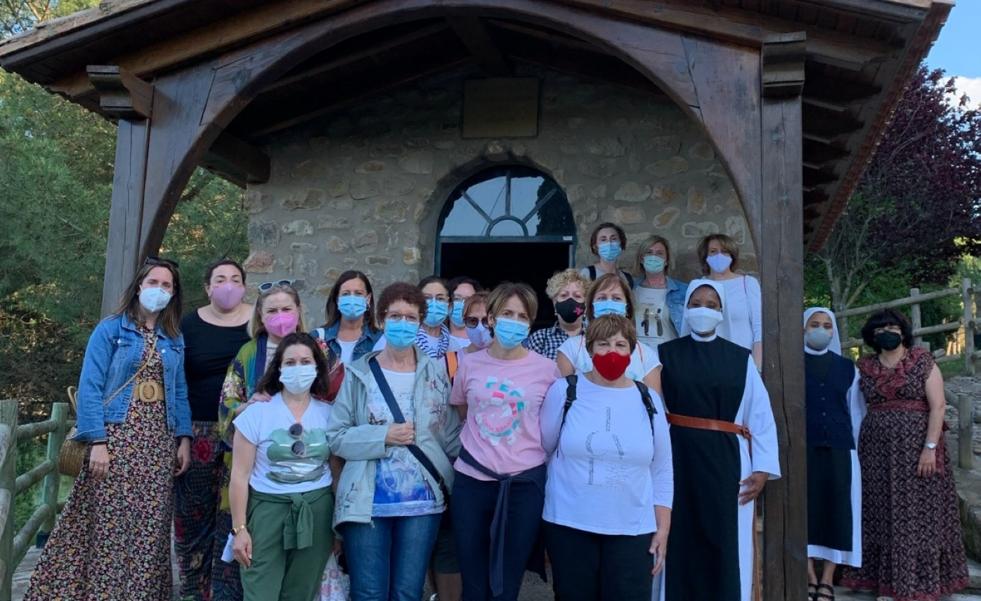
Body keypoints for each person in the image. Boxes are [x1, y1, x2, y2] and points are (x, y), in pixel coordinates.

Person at [25, 258, 192, 601]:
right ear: (138, 287)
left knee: (150, 527)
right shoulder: (111, 330)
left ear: (174, 294)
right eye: (153, 282)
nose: (159, 290)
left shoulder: (173, 338)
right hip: (117, 438)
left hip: (158, 442)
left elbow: (180, 390)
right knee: (110, 526)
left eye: (167, 285)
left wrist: (184, 438)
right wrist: (97, 441)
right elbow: (90, 387)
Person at [327, 282, 462, 601]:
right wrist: (382, 436)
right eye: (395, 316)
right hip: (367, 503)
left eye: (411, 317)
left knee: (407, 592)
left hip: (423, 504)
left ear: (420, 322)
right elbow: (336, 436)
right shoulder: (359, 373)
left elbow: (451, 436)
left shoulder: (435, 373)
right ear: (382, 319)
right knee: (369, 592)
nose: (403, 323)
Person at [653, 279, 780, 601]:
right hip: (677, 457)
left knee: (726, 539)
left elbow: (760, 415)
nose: (703, 310)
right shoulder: (664, 354)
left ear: (722, 313)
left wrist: (763, 468)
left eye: (711, 305)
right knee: (679, 537)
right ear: (686, 309)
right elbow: (652, 410)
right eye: (696, 304)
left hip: (728, 461)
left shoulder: (741, 358)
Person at [541, 315, 673, 601]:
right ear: (589, 350)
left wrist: (663, 527)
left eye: (620, 344)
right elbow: (546, 448)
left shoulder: (648, 400)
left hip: (632, 527)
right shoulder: (565, 391)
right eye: (603, 344)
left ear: (632, 351)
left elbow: (662, 467)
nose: (611, 351)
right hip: (569, 523)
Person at [841, 309, 968, 601]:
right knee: (881, 512)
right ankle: (884, 582)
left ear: (903, 331)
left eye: (893, 326)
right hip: (876, 453)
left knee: (919, 514)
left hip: (917, 450)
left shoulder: (921, 361)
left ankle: (917, 583)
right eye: (881, 328)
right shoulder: (865, 367)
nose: (888, 331)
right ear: (872, 335)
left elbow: (937, 406)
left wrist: (930, 448)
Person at [450, 282, 561, 601]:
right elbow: (462, 411)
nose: (514, 321)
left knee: (507, 585)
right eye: (507, 313)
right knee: (473, 583)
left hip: (523, 487)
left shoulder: (546, 369)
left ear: (530, 322)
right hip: (472, 484)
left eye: (522, 316)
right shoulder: (469, 364)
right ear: (493, 319)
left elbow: (549, 425)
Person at [213, 281, 310, 601]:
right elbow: (227, 402)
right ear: (260, 315)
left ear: (298, 312)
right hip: (254, 465)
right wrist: (247, 406)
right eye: (272, 310)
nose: (280, 316)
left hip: (304, 469)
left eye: (286, 309)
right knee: (251, 547)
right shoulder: (249, 351)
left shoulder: (317, 349)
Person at [230, 333, 336, 601]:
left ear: (316, 367)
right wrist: (240, 530)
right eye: (290, 362)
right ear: (278, 368)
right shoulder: (256, 414)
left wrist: (338, 526)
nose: (298, 368)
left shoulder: (330, 414)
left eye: (305, 361)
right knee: (259, 591)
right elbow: (240, 477)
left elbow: (336, 471)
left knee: (300, 592)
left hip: (316, 512)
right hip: (267, 512)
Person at [175, 259, 252, 600]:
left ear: (245, 286)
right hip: (199, 431)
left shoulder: (257, 322)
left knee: (231, 515)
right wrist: (182, 435)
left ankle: (225, 592)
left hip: (242, 435)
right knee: (192, 515)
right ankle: (193, 590)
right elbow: (177, 382)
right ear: (207, 287)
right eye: (220, 279)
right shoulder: (188, 325)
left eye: (236, 279)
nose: (228, 285)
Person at [802, 308, 865, 601]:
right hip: (804, 448)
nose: (820, 329)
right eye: (814, 324)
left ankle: (827, 577)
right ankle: (808, 575)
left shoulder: (848, 368)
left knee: (839, 510)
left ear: (833, 331)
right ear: (803, 328)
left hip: (840, 448)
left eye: (826, 325)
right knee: (805, 509)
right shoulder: (791, 363)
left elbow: (855, 413)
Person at [556, 273, 659, 389]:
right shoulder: (570, 349)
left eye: (616, 298)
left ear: (628, 307)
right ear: (591, 307)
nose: (609, 303)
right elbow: (562, 395)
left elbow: (653, 402)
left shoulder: (646, 355)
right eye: (602, 298)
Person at [695, 234, 762, 368]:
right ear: (705, 256)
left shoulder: (747, 283)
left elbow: (759, 327)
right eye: (713, 251)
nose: (719, 255)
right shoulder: (698, 285)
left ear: (732, 255)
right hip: (709, 361)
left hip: (742, 360)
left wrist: (757, 366)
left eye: (724, 251)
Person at [313, 270, 381, 366]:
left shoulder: (380, 340)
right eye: (346, 294)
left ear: (368, 299)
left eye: (358, 293)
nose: (352, 299)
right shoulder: (318, 337)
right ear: (337, 300)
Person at [632, 236, 686, 348]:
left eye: (659, 253)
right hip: (640, 356)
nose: (653, 257)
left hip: (670, 356)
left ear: (667, 260)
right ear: (641, 259)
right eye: (649, 252)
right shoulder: (630, 289)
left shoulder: (682, 291)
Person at [527, 269, 587, 360]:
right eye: (564, 295)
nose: (570, 300)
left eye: (577, 296)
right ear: (554, 303)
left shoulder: (595, 338)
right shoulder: (540, 338)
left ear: (585, 304)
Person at [579, 222, 634, 287]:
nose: (609, 243)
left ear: (621, 243)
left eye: (613, 239)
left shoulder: (626, 278)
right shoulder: (587, 274)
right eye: (603, 240)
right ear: (595, 246)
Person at [448, 276, 482, 351]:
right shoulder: (439, 340)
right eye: (457, 299)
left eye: (468, 299)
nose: (462, 304)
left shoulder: (483, 342)